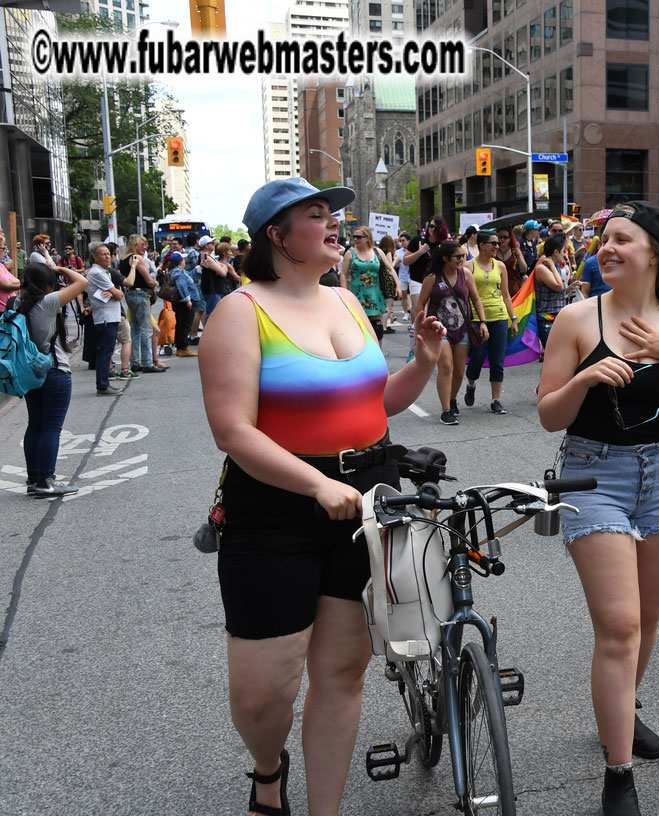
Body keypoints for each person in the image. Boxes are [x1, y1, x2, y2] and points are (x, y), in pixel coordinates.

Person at [198, 178, 445, 816]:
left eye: (335, 213)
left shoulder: (347, 303)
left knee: (340, 675)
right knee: (262, 698)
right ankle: (267, 770)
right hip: (275, 509)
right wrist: (316, 484)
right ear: (277, 236)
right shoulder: (240, 310)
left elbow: (376, 405)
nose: (336, 223)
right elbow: (232, 430)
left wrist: (421, 362)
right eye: (317, 215)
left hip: (366, 503)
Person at [537, 200, 659, 816]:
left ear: (656, 252)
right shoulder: (576, 319)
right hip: (591, 475)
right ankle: (619, 772)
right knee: (619, 626)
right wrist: (585, 380)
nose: (606, 249)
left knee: (648, 617)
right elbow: (547, 416)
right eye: (603, 240)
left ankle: (623, 709)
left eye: (622, 239)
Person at [17, 262, 88, 497]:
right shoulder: (46, 302)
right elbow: (82, 282)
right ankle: (46, 480)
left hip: (30, 372)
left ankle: (34, 478)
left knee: (35, 424)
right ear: (47, 284)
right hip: (54, 371)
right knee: (51, 427)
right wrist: (60, 269)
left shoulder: (16, 303)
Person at [417, 239, 488, 424]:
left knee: (458, 371)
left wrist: (483, 322)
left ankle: (452, 398)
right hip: (440, 330)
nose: (462, 259)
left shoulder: (466, 274)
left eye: (463, 256)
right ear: (446, 258)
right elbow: (420, 303)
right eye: (458, 257)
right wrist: (421, 325)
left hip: (463, 328)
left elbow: (476, 299)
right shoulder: (433, 278)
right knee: (446, 367)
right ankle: (445, 410)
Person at [462, 230, 517, 414]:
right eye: (493, 243)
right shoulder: (468, 266)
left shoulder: (500, 266)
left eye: (498, 242)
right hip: (477, 319)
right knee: (476, 359)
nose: (497, 246)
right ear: (482, 245)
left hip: (499, 317)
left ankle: (495, 400)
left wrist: (513, 318)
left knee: (497, 361)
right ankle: (471, 384)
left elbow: (506, 295)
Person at [339, 227, 393, 345]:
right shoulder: (350, 253)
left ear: (367, 238)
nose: (355, 239)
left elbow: (390, 268)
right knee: (359, 327)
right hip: (357, 293)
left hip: (375, 294)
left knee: (377, 328)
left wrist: (397, 286)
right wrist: (344, 292)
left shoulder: (377, 252)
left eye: (359, 237)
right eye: (354, 237)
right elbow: (343, 273)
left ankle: (377, 355)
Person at [121, 235, 166, 374]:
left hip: (130, 294)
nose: (145, 247)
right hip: (141, 294)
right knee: (147, 329)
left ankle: (135, 362)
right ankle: (147, 362)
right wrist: (156, 283)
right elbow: (149, 280)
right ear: (135, 244)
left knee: (134, 329)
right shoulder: (138, 259)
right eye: (142, 244)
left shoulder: (123, 259)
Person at [84, 242, 125, 395]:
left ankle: (104, 383)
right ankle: (102, 385)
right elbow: (119, 294)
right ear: (94, 257)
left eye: (109, 254)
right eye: (103, 254)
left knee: (107, 351)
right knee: (105, 352)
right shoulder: (97, 273)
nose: (108, 257)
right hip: (105, 317)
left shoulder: (104, 272)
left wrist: (114, 293)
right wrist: (114, 293)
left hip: (109, 316)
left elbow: (116, 294)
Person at [533, 233, 572, 349]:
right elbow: (558, 286)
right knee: (554, 356)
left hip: (558, 318)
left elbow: (560, 292)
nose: (565, 254)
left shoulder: (555, 267)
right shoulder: (542, 268)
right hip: (547, 321)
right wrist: (553, 266)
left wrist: (571, 287)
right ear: (556, 252)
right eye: (563, 251)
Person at [165, 251, 201, 358]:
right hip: (185, 302)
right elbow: (182, 285)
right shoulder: (178, 272)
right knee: (185, 324)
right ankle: (183, 347)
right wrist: (187, 299)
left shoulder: (176, 271)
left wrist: (197, 269)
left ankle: (181, 347)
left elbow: (189, 276)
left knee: (181, 324)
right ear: (180, 261)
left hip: (179, 302)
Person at [495, 226, 529, 295]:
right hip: (497, 288)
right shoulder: (493, 251)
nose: (502, 239)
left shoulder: (514, 250)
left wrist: (519, 255)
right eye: (500, 237)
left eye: (505, 237)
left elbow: (524, 269)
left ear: (510, 238)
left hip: (514, 288)